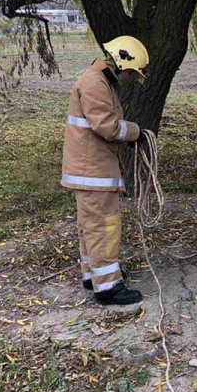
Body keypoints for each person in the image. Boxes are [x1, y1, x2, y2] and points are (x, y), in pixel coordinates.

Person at [61, 35, 149, 305]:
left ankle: (94, 275)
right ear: (122, 64)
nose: (132, 79)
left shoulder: (98, 81)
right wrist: (137, 133)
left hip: (91, 170)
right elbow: (108, 127)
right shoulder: (95, 83)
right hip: (93, 172)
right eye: (133, 73)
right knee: (103, 227)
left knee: (90, 227)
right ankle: (108, 287)